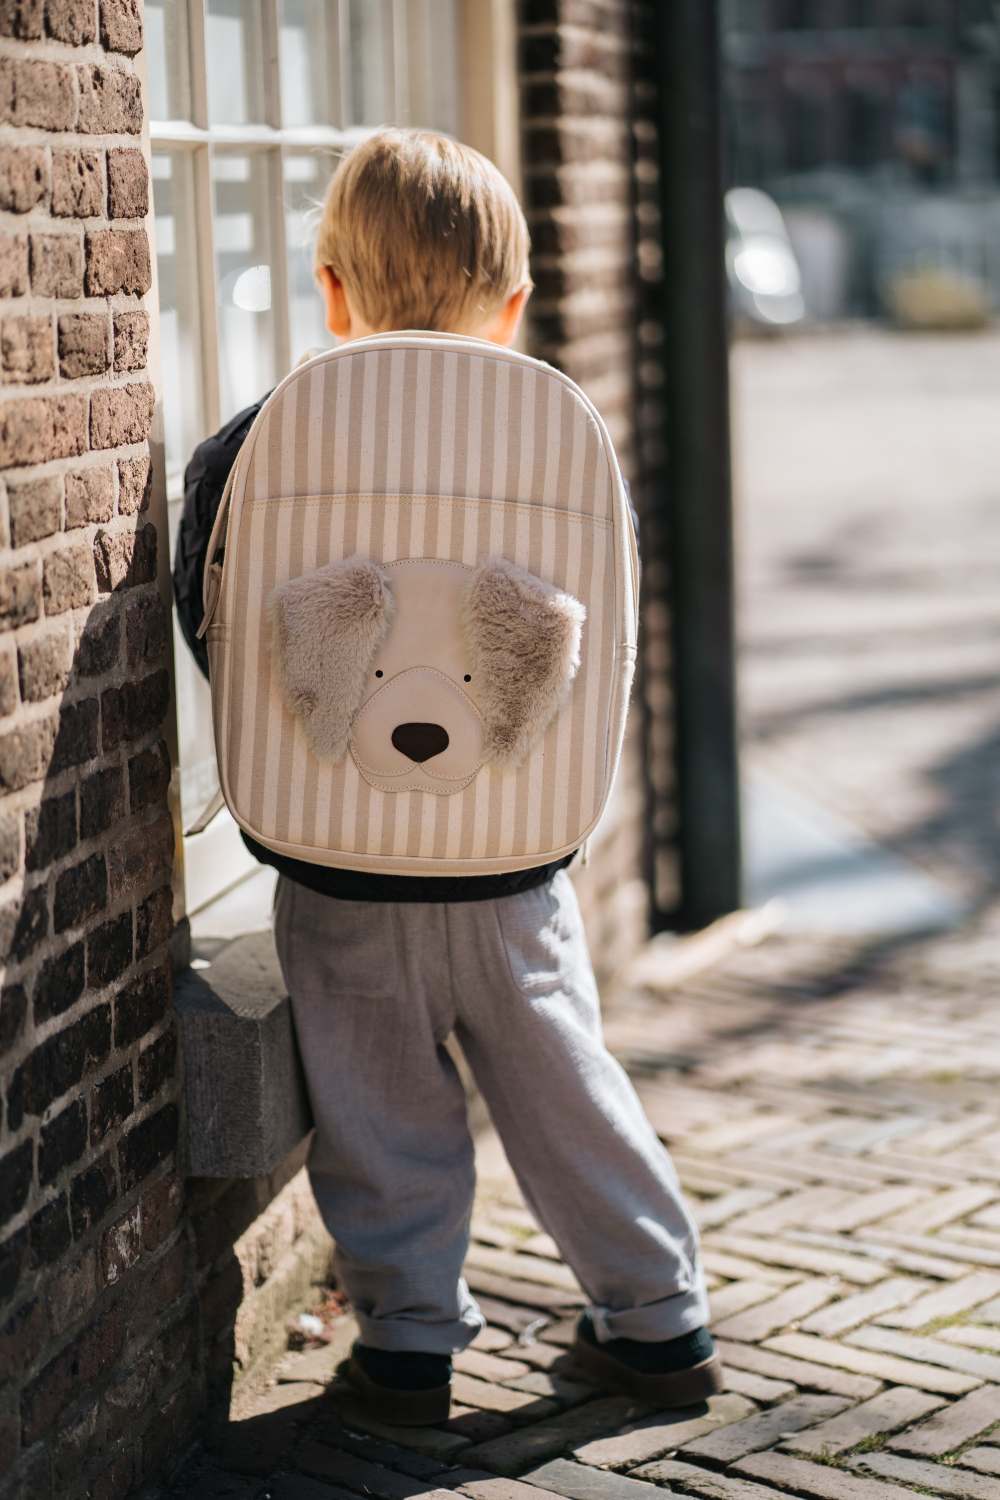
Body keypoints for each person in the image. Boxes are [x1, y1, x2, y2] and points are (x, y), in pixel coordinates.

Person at [173, 128, 720, 1427]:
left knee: (374, 1107)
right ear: (515, 303)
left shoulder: (260, 442)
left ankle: (409, 1346)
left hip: (335, 861)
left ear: (331, 288)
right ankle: (659, 1321)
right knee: (567, 1088)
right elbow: (599, 634)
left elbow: (216, 621)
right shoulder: (554, 441)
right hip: (511, 864)